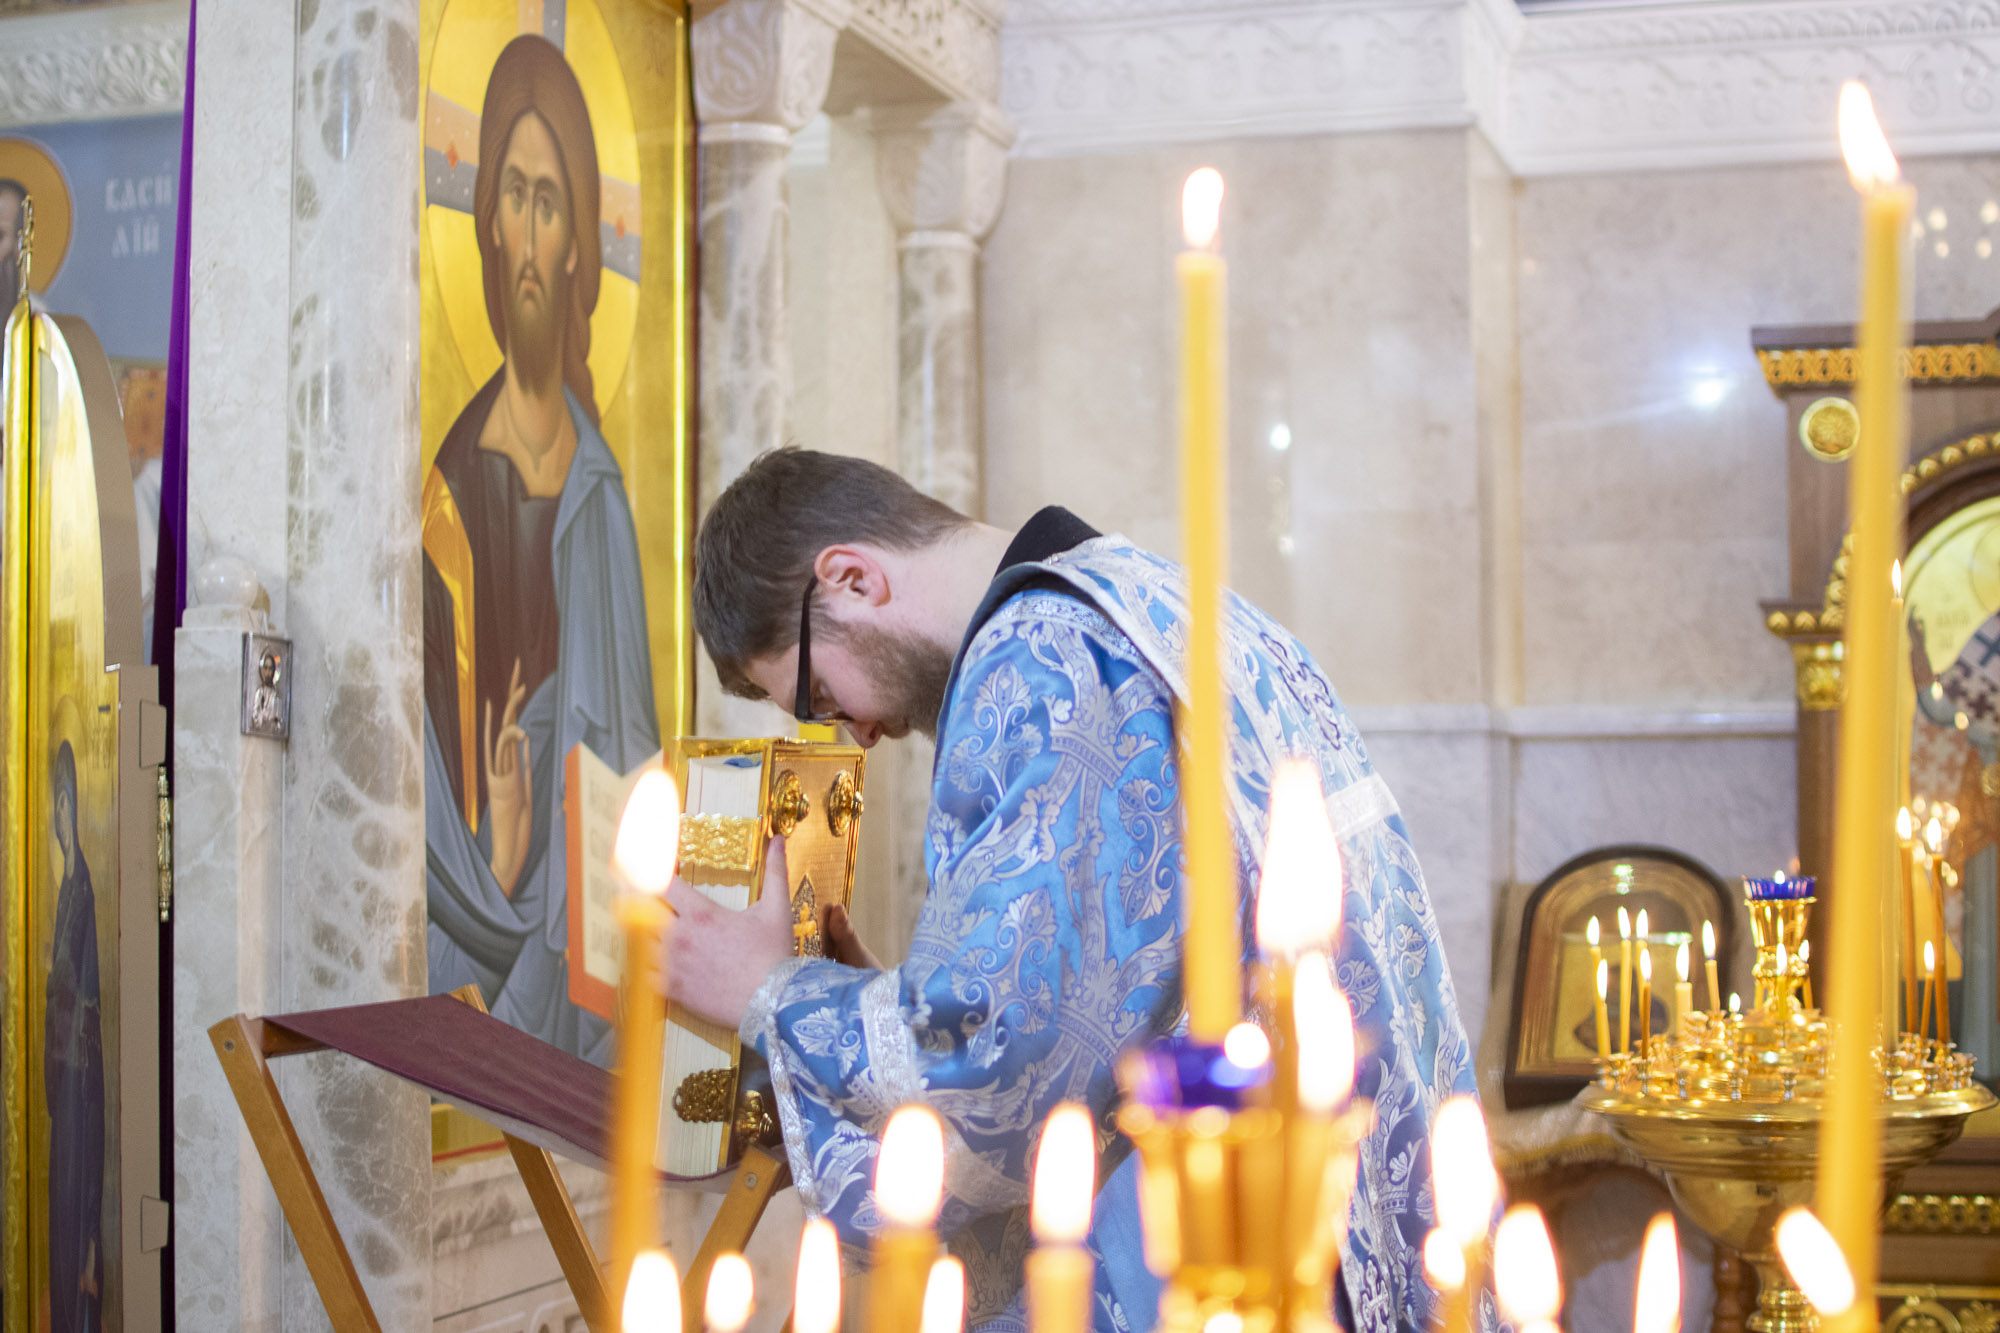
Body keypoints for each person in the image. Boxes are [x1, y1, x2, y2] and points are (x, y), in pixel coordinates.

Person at [668, 448, 1478, 1333]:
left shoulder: (1043, 658)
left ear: (853, 579)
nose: (853, 732)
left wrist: (770, 993)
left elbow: (1002, 1060)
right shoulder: (1162, 604)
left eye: (820, 693)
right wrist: (890, 1000)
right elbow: (1115, 983)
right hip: (1328, 1210)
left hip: (1225, 1250)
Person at [421, 34, 657, 1063]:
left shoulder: (600, 492)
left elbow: (631, 751)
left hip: (585, 939)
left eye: (549, 202)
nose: (525, 233)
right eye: (511, 194)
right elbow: (421, 769)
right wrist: (501, 852)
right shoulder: (446, 491)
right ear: (485, 220)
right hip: (481, 910)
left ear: (575, 245)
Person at [45, 739, 104, 1333]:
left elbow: (73, 985)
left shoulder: (81, 887)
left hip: (80, 1088)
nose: (59, 817)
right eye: (55, 806)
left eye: (64, 803)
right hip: (63, 1082)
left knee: (76, 1217)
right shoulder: (67, 889)